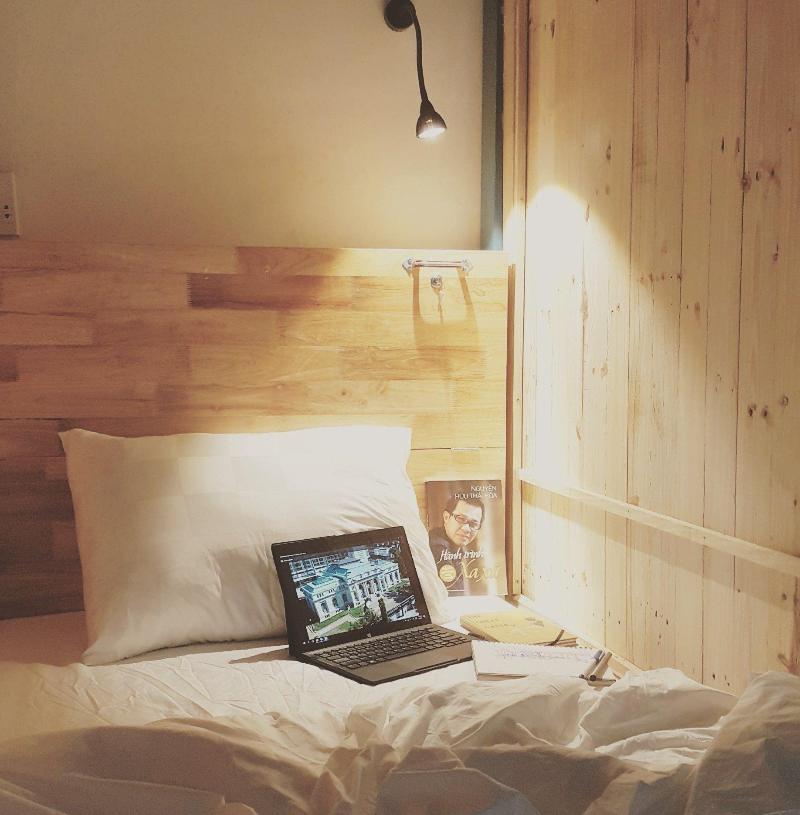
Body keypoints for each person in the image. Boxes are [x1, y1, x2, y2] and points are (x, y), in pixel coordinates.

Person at [428, 495, 484, 593]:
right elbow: (455, 593)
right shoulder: (437, 546)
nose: (466, 529)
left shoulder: (455, 547)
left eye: (474, 524)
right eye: (461, 519)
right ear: (446, 517)